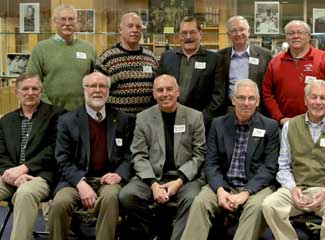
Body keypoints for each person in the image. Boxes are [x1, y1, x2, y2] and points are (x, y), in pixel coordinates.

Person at [182, 79, 280, 240]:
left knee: (256, 207)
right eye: (241, 98)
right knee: (200, 202)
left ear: (257, 102)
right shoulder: (218, 124)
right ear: (233, 100)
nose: (246, 103)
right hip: (224, 184)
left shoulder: (270, 127)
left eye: (251, 98)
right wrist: (220, 190)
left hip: (256, 187)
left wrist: (246, 193)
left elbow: (269, 168)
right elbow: (211, 163)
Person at [261, 79, 325, 240]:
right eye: (314, 97)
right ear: (305, 100)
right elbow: (283, 167)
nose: (318, 102)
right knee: (269, 205)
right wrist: (292, 188)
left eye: (323, 98)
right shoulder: (290, 127)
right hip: (298, 189)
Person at [119, 75, 206, 240]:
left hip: (185, 178)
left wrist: (179, 180)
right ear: (153, 94)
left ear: (178, 92)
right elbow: (138, 155)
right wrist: (153, 184)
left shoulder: (194, 117)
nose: (165, 94)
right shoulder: (143, 118)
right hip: (152, 176)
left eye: (169, 89)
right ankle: (155, 231)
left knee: (193, 199)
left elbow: (200, 154)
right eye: (160, 90)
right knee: (127, 195)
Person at [49, 72, 132, 240]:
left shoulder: (122, 119)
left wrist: (119, 174)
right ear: (84, 89)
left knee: (110, 198)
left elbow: (131, 154)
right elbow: (62, 159)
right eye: (92, 86)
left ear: (108, 91)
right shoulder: (68, 120)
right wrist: (80, 182)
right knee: (59, 204)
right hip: (75, 181)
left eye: (102, 86)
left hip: (108, 180)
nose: (97, 90)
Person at [0, 73, 65, 240]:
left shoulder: (57, 115)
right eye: (25, 89)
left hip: (42, 176)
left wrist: (24, 168)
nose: (30, 92)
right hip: (11, 177)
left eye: (35, 88)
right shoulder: (6, 121)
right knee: (21, 189)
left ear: (41, 91)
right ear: (17, 93)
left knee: (25, 193)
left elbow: (56, 149)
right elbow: (0, 155)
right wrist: (13, 175)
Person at [262, 20, 325, 125]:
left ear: (308, 36)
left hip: (317, 123)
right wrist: (280, 118)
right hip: (285, 124)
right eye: (291, 33)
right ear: (286, 37)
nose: (295, 36)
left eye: (300, 32)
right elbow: (267, 93)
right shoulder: (275, 62)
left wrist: (319, 113)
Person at [26, 4, 96, 111]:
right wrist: (48, 108)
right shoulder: (41, 49)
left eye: (71, 19)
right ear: (55, 22)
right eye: (63, 19)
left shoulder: (89, 49)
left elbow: (96, 82)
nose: (67, 23)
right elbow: (31, 82)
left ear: (76, 22)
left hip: (82, 113)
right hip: (49, 114)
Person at [157, 16, 225, 126]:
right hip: (169, 121)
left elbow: (219, 96)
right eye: (184, 33)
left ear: (200, 34)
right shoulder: (167, 58)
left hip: (202, 124)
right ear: (179, 36)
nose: (188, 37)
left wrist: (200, 120)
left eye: (192, 32)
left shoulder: (215, 60)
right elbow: (158, 89)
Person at [96, 12, 157, 115]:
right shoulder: (106, 58)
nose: (134, 30)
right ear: (120, 30)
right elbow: (98, 91)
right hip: (117, 122)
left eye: (138, 27)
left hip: (145, 121)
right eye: (130, 26)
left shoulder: (150, 57)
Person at [216, 16, 272, 113]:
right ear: (228, 35)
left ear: (249, 31)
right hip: (228, 111)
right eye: (234, 31)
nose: (238, 34)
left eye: (242, 29)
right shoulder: (219, 57)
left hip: (257, 111)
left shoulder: (265, 55)